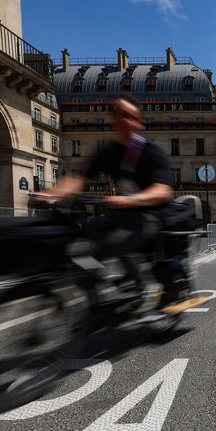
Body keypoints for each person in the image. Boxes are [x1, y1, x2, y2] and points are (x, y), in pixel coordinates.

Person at [48, 95, 187, 307]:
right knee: (79, 253)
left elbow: (163, 191)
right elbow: (79, 180)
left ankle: (139, 287)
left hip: (147, 218)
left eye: (129, 116)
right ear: (112, 120)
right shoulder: (108, 152)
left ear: (139, 122)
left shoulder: (151, 152)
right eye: (119, 115)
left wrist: (131, 200)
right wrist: (52, 194)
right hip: (119, 218)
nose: (124, 120)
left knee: (106, 247)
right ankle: (112, 295)